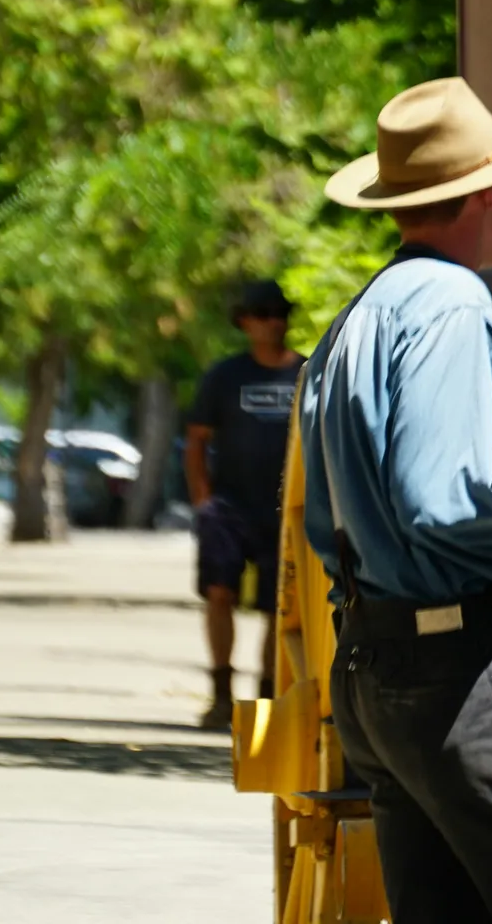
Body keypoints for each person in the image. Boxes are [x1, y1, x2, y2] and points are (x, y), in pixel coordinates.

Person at [300, 76, 492, 923]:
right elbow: (438, 507)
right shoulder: (449, 302)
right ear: (485, 190)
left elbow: (322, 521)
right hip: (454, 674)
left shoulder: (358, 314)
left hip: (372, 671)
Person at [186, 279, 301, 731]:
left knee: (280, 605)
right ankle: (219, 694)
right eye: (264, 312)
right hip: (230, 507)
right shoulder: (224, 376)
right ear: (245, 321)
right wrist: (203, 501)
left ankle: (269, 697)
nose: (274, 322)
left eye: (281, 312)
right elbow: (196, 441)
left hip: (284, 509)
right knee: (219, 594)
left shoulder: (306, 373)